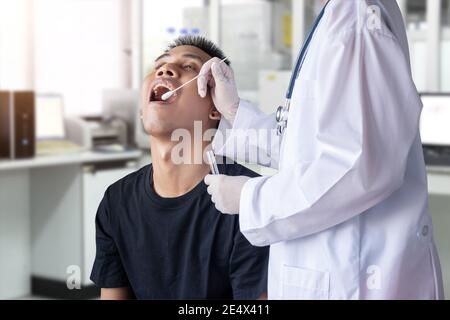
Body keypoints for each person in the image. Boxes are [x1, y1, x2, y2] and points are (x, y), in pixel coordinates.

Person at [202, 0, 444, 299]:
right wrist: (235, 111)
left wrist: (252, 199)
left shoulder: (353, 17)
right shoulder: (339, 15)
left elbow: (359, 167)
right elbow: (315, 147)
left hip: (353, 279)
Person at [90, 35, 269, 300]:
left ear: (216, 108)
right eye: (159, 65)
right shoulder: (116, 201)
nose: (164, 70)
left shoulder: (249, 201)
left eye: (189, 68)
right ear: (142, 109)